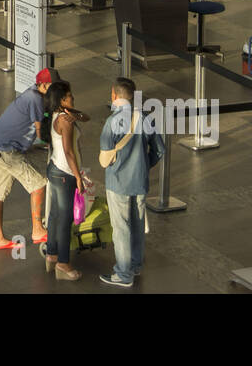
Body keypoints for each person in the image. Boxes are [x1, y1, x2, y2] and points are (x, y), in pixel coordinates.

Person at [99, 77, 165, 287]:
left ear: (113, 94)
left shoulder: (112, 122)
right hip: (140, 181)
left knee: (121, 228)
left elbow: (104, 158)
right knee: (137, 225)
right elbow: (160, 150)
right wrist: (145, 165)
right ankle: (135, 266)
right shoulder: (145, 118)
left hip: (118, 182)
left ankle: (123, 274)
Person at [0, 67, 57, 250]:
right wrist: (49, 141)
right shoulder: (34, 99)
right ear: (43, 85)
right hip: (7, 151)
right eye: (52, 85)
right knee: (39, 184)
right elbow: (39, 128)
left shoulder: (32, 94)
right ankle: (37, 229)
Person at [43, 82, 90, 280]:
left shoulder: (59, 115)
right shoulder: (65, 121)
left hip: (54, 169)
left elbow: (86, 117)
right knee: (65, 220)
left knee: (54, 215)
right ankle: (63, 263)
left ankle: (52, 254)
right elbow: (69, 151)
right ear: (62, 100)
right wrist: (78, 177)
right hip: (65, 174)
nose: (73, 98)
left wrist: (74, 114)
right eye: (70, 96)